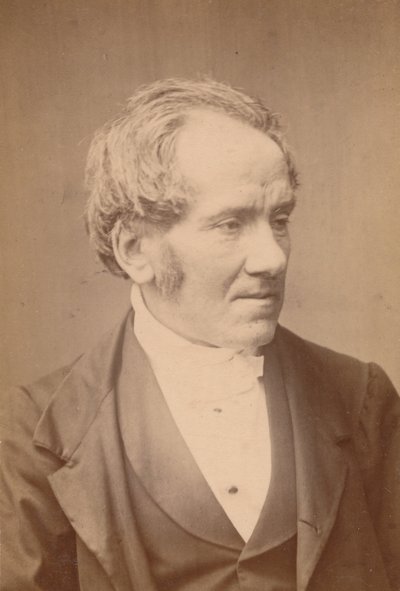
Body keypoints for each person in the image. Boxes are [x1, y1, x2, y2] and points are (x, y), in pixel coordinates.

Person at [1, 78, 399, 591]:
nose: (273, 259)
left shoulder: (361, 398)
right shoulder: (37, 433)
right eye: (230, 224)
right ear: (135, 250)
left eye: (279, 219)